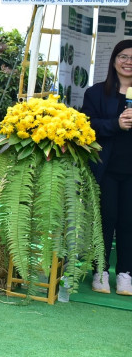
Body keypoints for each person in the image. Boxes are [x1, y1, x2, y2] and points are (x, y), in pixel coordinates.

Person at [82, 39, 132, 296]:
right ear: (114, 61)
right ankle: (99, 270)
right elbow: (87, 127)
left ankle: (125, 273)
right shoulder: (96, 93)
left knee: (128, 222)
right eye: (123, 56)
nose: (128, 62)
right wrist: (116, 124)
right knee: (105, 219)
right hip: (106, 169)